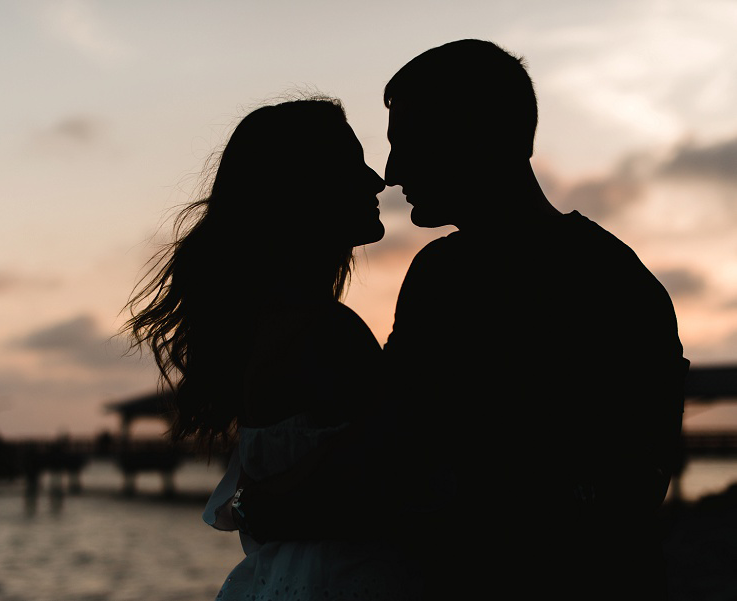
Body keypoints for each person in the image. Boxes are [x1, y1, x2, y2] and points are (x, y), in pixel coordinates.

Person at [237, 40, 689, 600]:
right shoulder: (622, 276)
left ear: (472, 136)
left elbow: (385, 448)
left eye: (407, 145)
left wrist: (255, 504)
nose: (393, 173)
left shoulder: (453, 276)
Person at [124, 98, 422, 600]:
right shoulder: (321, 331)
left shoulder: (277, 323)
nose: (376, 181)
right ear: (302, 190)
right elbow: (386, 475)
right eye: (352, 165)